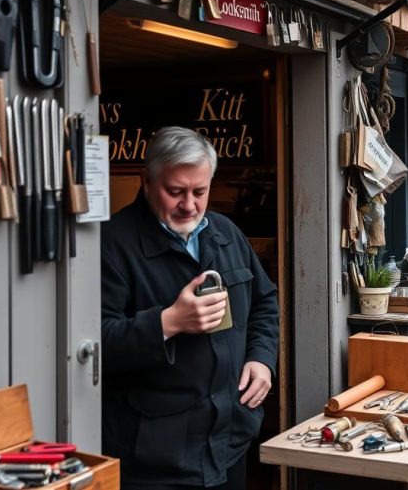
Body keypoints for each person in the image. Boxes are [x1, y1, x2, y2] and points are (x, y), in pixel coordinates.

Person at [101, 126, 279, 490]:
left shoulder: (226, 233)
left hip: (229, 443)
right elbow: (95, 346)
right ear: (146, 181)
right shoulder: (111, 244)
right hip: (153, 460)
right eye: (175, 191)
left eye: (200, 191)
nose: (190, 205)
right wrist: (168, 322)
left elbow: (264, 301)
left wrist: (262, 359)